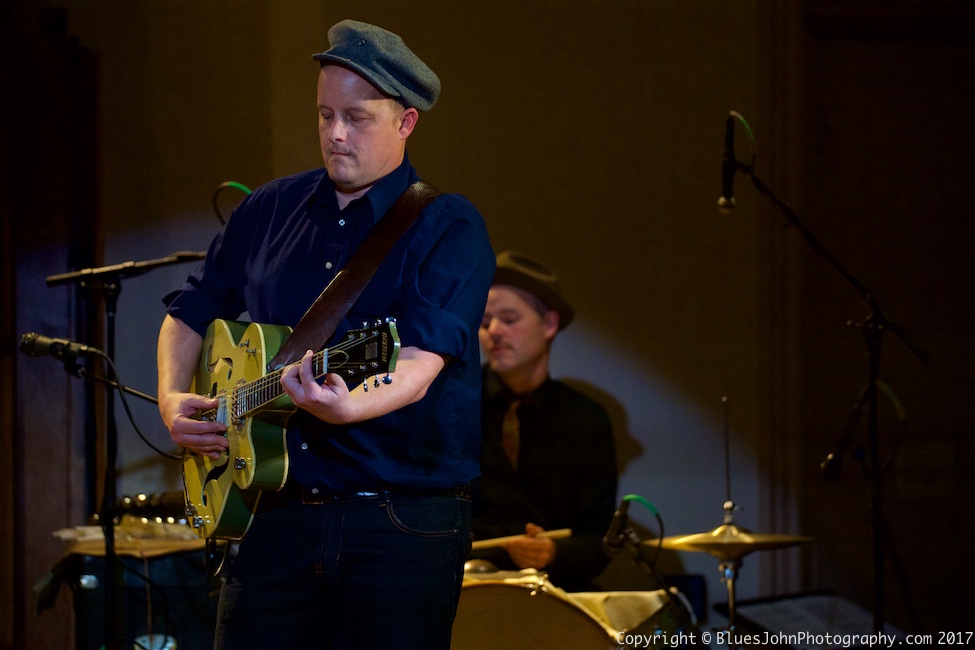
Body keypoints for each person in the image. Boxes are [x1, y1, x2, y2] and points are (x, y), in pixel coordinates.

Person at [156, 19, 494, 650]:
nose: (336, 134)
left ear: (406, 122)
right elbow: (189, 313)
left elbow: (419, 363)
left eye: (358, 118)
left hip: (399, 524)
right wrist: (174, 398)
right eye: (324, 114)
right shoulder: (267, 209)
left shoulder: (449, 225)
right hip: (271, 517)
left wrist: (351, 406)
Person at [471, 251, 618, 592]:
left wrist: (554, 552)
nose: (493, 331)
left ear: (549, 324)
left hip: (557, 592)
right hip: (468, 589)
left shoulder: (585, 419)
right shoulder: (453, 404)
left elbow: (599, 538)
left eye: (508, 319)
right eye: (484, 321)